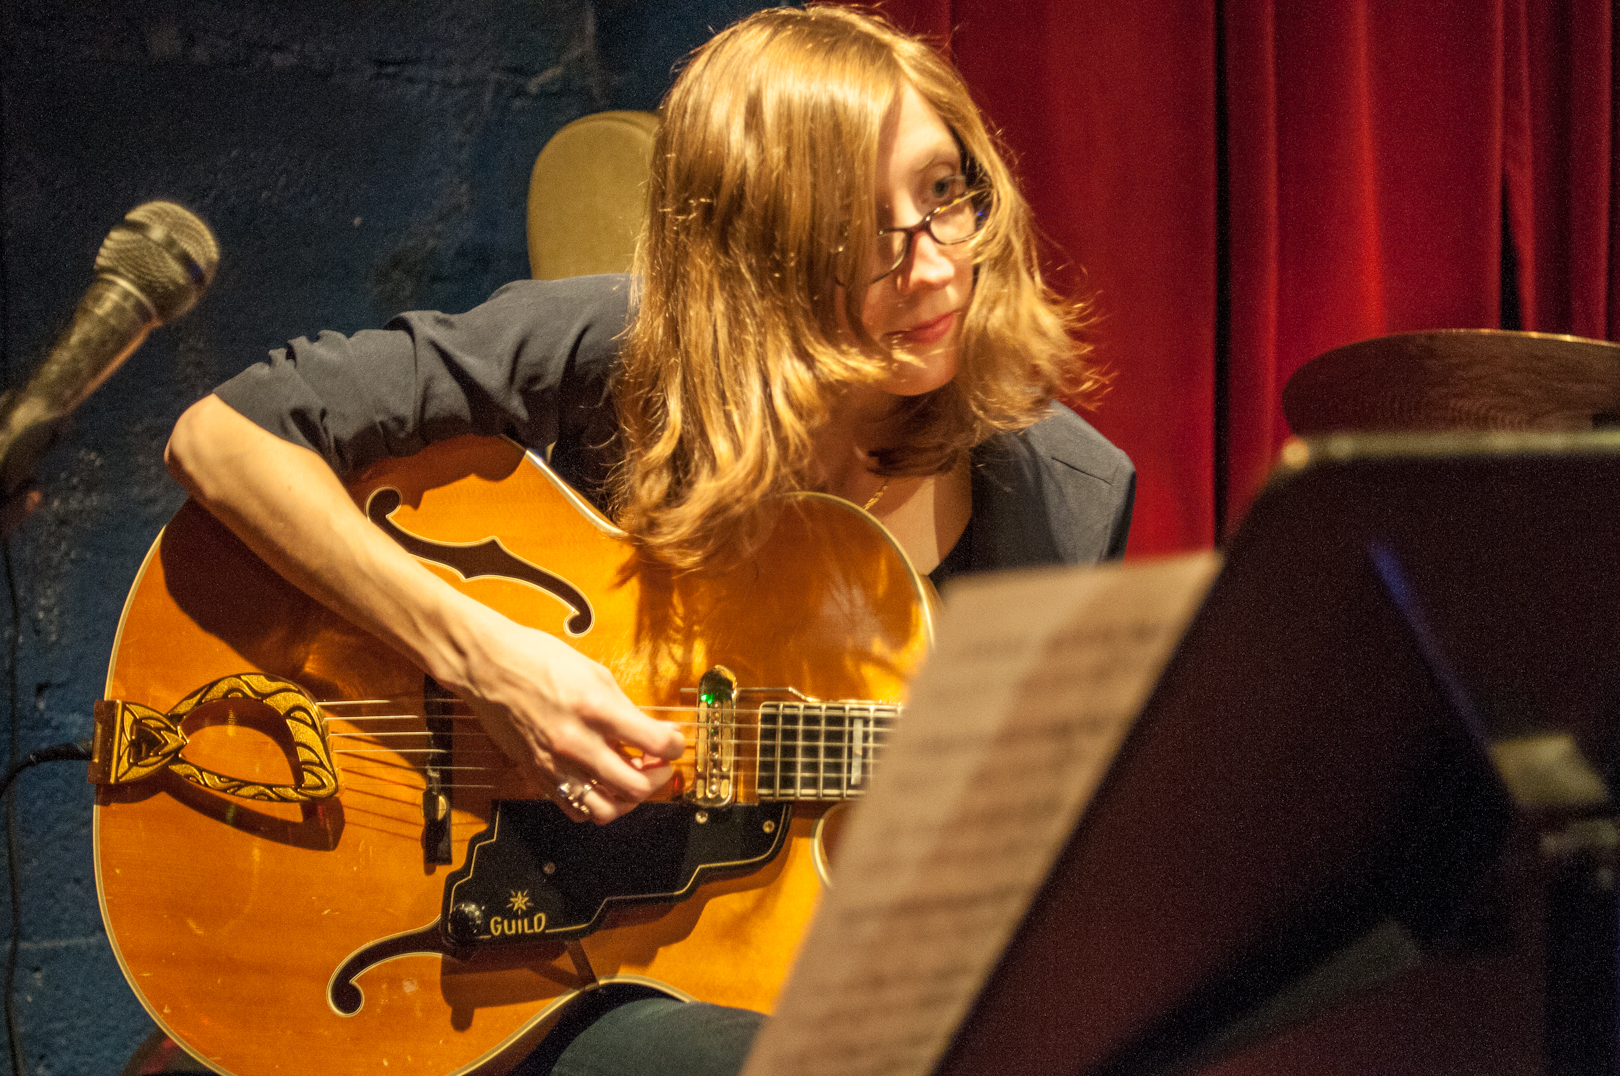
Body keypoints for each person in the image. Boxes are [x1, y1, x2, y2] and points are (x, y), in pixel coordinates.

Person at [164, 6, 1134, 1073]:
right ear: (754, 255)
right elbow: (223, 436)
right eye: (864, 228)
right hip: (523, 965)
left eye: (946, 193)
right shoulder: (610, 348)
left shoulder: (1059, 498)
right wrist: (482, 657)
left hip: (783, 966)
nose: (940, 265)